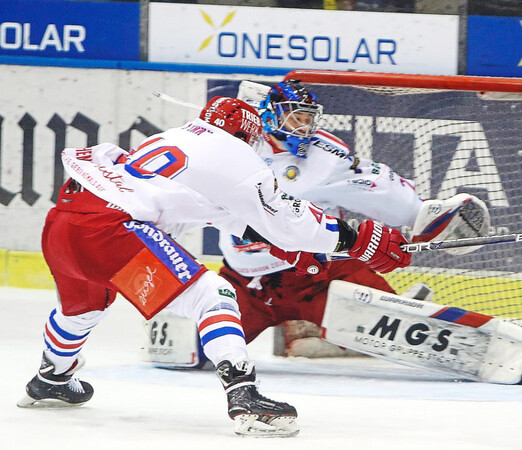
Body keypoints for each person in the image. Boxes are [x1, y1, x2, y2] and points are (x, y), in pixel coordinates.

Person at [18, 96, 411, 437]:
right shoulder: (235, 154)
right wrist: (358, 240)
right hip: (112, 233)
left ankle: (51, 379)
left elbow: (231, 216)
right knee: (215, 295)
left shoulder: (176, 140)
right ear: (245, 136)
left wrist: (298, 251)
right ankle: (244, 397)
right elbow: (288, 219)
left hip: (64, 225)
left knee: (82, 308)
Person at [149, 80, 489, 360]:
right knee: (181, 354)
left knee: (410, 334)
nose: (305, 127)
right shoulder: (233, 148)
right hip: (245, 284)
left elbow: (375, 185)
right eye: (296, 118)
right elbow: (188, 202)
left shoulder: (325, 156)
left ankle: (351, 329)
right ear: (270, 117)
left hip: (321, 277)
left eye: (309, 118)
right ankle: (330, 335)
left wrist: (421, 212)